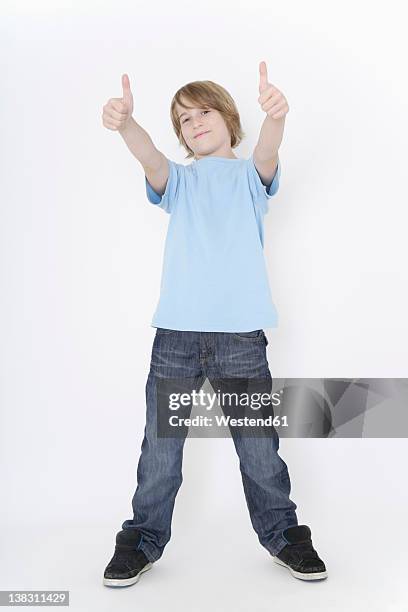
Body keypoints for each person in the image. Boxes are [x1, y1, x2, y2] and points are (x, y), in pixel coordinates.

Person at [101, 63, 328, 587]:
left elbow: (269, 151)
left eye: (204, 112)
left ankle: (283, 532)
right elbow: (150, 158)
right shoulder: (177, 182)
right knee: (161, 449)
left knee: (258, 447)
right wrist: (127, 126)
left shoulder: (250, 176)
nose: (194, 123)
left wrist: (278, 116)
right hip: (176, 340)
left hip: (241, 342)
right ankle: (142, 537)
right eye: (183, 119)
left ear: (228, 118)